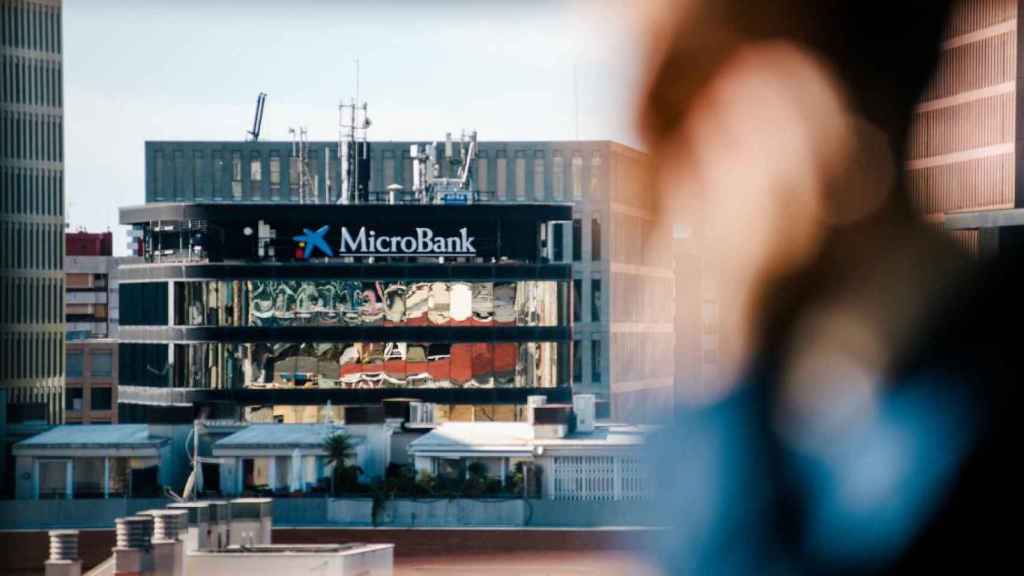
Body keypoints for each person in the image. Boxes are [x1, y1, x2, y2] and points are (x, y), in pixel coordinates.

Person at [637, 2, 1016, 573]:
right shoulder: (783, 378)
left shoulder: (947, 401)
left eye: (718, 140)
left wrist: (729, 330)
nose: (693, 192)